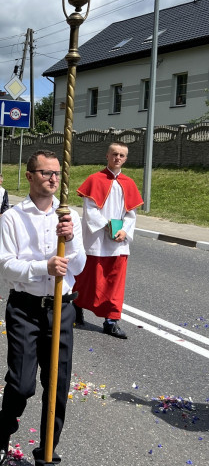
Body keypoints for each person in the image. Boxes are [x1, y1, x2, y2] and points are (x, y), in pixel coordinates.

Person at [0, 150, 86, 466]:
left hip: (61, 308)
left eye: (57, 173)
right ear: (30, 176)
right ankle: (4, 429)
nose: (53, 179)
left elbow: (78, 265)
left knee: (57, 386)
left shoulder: (67, 215)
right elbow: (6, 265)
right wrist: (42, 267)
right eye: (46, 173)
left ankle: (46, 459)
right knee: (21, 385)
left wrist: (71, 238)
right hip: (26, 309)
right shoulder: (14, 217)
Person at [73, 142, 143, 339]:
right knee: (87, 279)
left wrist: (124, 231)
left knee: (115, 283)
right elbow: (90, 211)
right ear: (107, 156)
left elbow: (131, 213)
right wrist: (107, 226)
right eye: (114, 154)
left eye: (122, 155)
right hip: (96, 240)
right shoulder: (94, 179)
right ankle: (76, 309)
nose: (118, 158)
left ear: (126, 159)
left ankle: (111, 322)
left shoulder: (129, 183)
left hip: (119, 242)